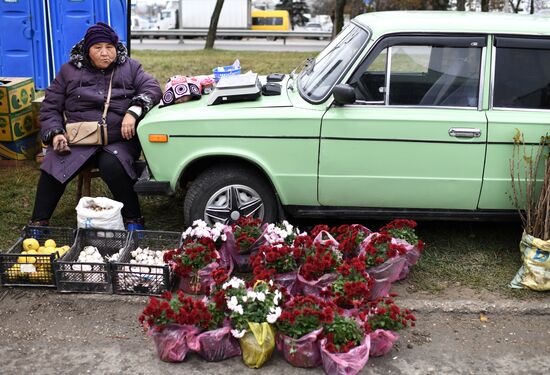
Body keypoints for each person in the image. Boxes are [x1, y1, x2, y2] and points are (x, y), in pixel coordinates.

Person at [30, 22, 162, 230]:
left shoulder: (130, 67)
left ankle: (133, 219)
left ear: (116, 48)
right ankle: (38, 222)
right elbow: (50, 107)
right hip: (80, 139)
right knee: (54, 164)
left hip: (119, 138)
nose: (104, 53)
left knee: (113, 166)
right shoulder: (68, 71)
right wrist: (55, 133)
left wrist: (133, 111)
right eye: (97, 48)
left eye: (109, 47)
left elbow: (152, 88)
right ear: (87, 49)